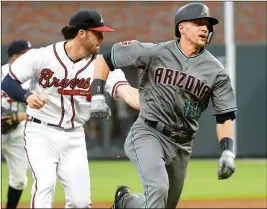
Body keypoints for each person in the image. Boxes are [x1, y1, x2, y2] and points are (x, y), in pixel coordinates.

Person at [89, 2, 237, 209]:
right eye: (198, 23)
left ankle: (126, 202)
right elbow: (106, 59)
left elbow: (225, 117)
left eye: (208, 25)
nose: (205, 28)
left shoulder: (216, 71)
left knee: (163, 204)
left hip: (182, 145)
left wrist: (227, 152)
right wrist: (97, 96)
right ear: (181, 28)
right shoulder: (155, 52)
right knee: (158, 189)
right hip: (149, 132)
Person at [2, 9, 139, 208]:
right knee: (44, 187)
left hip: (74, 135)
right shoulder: (43, 56)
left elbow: (126, 91)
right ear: (81, 34)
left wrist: (148, 104)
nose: (102, 38)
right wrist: (27, 96)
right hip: (40, 131)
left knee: (80, 202)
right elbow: (8, 82)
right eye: (97, 33)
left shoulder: (102, 65)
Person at [1, 39, 32, 209]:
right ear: (14, 55)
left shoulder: (31, 76)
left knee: (20, 180)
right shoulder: (1, 73)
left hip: (17, 133)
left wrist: (21, 116)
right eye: (24, 54)